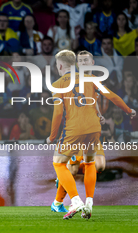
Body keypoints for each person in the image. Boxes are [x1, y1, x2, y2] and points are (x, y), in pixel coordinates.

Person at [46, 50, 136, 219]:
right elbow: (112, 96)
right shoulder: (91, 79)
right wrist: (128, 110)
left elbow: (58, 114)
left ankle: (75, 200)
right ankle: (88, 203)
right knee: (90, 164)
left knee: (58, 164)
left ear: (59, 65)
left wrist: (52, 137)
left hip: (74, 129)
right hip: (94, 128)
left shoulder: (58, 84)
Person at [51, 50, 107, 213]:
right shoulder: (76, 80)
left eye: (85, 61)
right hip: (77, 129)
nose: (82, 64)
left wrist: (99, 114)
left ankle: (72, 199)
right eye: (80, 61)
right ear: (76, 64)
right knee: (73, 168)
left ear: (92, 63)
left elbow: (91, 103)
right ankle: (61, 202)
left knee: (100, 165)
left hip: (87, 128)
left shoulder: (92, 82)